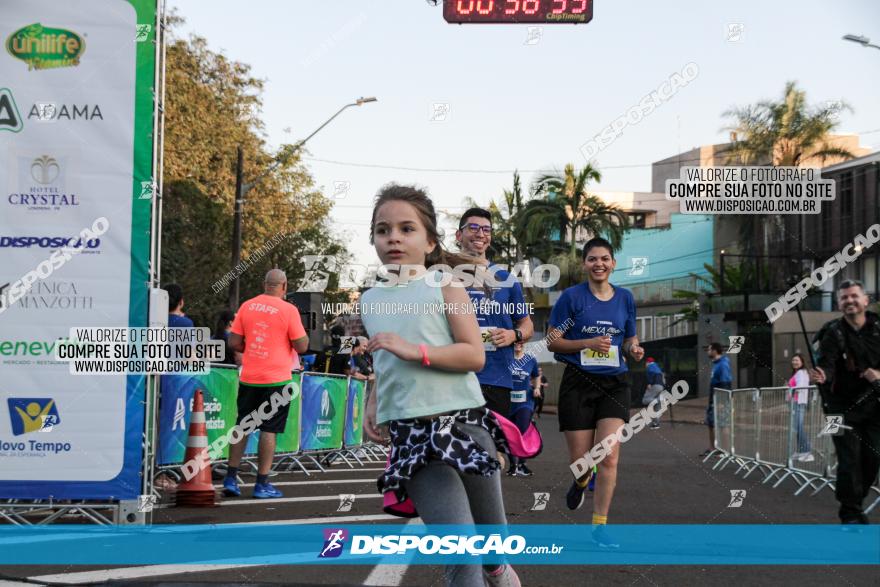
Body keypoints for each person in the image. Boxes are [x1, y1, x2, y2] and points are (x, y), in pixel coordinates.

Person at [361, 184, 520, 587]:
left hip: (463, 425)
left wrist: (417, 351)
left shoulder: (445, 285)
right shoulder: (370, 300)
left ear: (430, 240)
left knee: (491, 545)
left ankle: (498, 570)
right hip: (412, 438)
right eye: (383, 230)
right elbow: (385, 359)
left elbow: (473, 355)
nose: (393, 237)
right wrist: (373, 402)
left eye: (406, 228)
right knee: (458, 552)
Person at [546, 237, 644, 549]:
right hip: (578, 381)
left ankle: (599, 527)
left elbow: (629, 338)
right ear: (584, 264)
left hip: (615, 383)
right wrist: (586, 343)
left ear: (613, 263)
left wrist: (634, 348)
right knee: (582, 462)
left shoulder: (625, 298)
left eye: (604, 259)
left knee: (609, 456)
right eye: (592, 259)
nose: (598, 264)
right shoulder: (571, 298)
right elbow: (552, 341)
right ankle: (581, 480)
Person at [223, 269, 309, 499]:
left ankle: (231, 478)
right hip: (277, 379)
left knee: (242, 426)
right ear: (284, 285)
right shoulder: (289, 310)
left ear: (265, 284)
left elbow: (233, 342)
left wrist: (252, 349)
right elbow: (302, 347)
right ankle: (261, 484)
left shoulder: (247, 306)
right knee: (269, 430)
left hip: (250, 376)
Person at [809, 279, 880, 525]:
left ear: (865, 300)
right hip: (838, 409)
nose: (849, 300)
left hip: (875, 408)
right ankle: (850, 514)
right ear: (839, 304)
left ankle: (854, 501)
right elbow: (825, 363)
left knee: (873, 459)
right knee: (849, 459)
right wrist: (822, 374)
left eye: (853, 296)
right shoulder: (832, 332)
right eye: (844, 298)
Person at [456, 207, 534, 419]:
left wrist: (513, 335)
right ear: (459, 235)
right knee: (455, 447)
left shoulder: (506, 279)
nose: (480, 234)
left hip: (496, 378)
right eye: (473, 228)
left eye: (486, 229)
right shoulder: (442, 276)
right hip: (453, 378)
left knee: (492, 446)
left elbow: (527, 325)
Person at [507, 342, 540, 477]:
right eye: (515, 342)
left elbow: (536, 375)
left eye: (520, 342)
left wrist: (537, 387)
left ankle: (522, 464)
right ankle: (512, 465)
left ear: (524, 344)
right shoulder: (506, 358)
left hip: (525, 401)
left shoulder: (530, 359)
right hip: (507, 402)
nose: (518, 344)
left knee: (523, 430)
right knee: (509, 433)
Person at [702, 342, 732, 458]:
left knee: (723, 424)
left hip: (720, 400)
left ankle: (725, 450)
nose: (708, 352)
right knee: (711, 424)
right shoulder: (716, 364)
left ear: (715, 351)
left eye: (709, 350)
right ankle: (713, 448)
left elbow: (725, 383)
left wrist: (722, 402)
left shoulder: (723, 364)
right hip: (713, 399)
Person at [788, 353, 812, 462]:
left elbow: (800, 387)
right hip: (796, 402)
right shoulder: (798, 373)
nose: (794, 362)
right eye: (793, 360)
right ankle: (801, 451)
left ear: (802, 362)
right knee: (797, 427)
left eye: (797, 360)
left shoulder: (801, 373)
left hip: (799, 402)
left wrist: (791, 391)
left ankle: (807, 452)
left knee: (799, 427)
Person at [643, 357, 665, 429]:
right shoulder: (657, 367)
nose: (645, 364)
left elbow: (652, 374)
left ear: (647, 362)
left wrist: (649, 383)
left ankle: (659, 400)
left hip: (655, 385)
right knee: (656, 407)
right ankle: (656, 423)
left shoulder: (650, 366)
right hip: (661, 386)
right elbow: (663, 377)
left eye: (645, 363)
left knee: (645, 400)